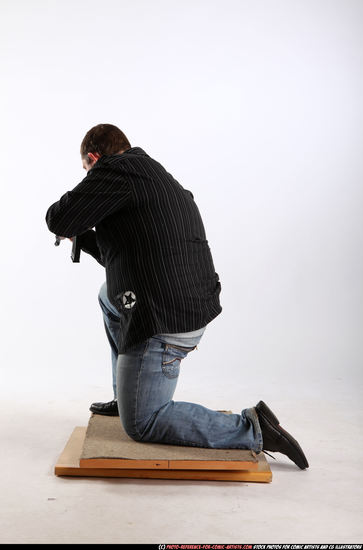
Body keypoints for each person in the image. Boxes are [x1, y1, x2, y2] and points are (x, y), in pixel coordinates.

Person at [45, 123, 309, 470]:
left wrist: (72, 223)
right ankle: (125, 396)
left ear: (94, 159)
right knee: (108, 296)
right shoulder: (150, 173)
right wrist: (85, 236)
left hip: (163, 323)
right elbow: (120, 255)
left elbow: (57, 218)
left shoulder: (114, 170)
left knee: (142, 423)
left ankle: (254, 427)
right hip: (185, 305)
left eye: (87, 170)